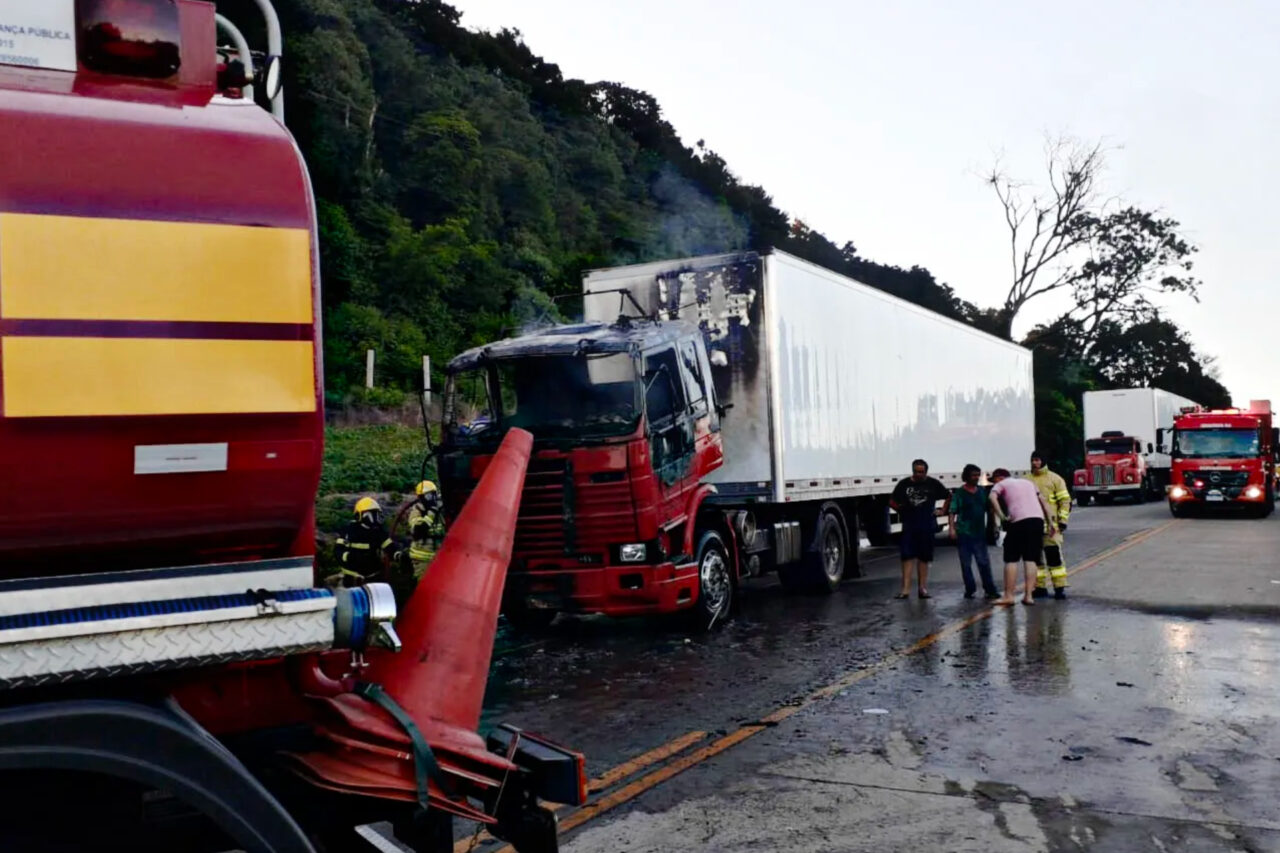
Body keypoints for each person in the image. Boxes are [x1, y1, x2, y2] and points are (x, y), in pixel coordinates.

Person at [988, 468, 1058, 606]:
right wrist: (1051, 522)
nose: (994, 483)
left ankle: (1008, 596)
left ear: (999, 477)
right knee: (1030, 559)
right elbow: (1044, 502)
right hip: (1037, 521)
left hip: (1019, 521)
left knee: (1011, 559)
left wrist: (1002, 516)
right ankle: (1029, 596)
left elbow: (992, 497)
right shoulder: (1028, 483)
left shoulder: (1001, 484)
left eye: (994, 480)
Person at [890, 459, 950, 599]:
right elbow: (892, 501)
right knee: (907, 556)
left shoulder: (933, 483)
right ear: (913, 471)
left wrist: (942, 510)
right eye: (916, 472)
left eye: (922, 472)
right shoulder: (904, 484)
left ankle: (922, 588)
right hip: (909, 525)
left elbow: (948, 496)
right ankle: (905, 590)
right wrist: (901, 510)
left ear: (926, 472)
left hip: (927, 524)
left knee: (924, 557)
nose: (919, 474)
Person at [948, 464, 1000, 600]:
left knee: (983, 562)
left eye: (978, 475)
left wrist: (994, 525)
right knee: (966, 564)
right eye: (973, 475)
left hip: (979, 532)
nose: (976, 478)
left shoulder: (982, 491)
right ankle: (970, 589)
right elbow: (952, 511)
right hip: (964, 532)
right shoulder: (960, 493)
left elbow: (990, 509)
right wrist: (952, 528)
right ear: (966, 477)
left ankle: (990, 589)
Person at [1027, 451, 1072, 599]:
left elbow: (1065, 501)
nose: (1035, 463)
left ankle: (1059, 587)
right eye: (1033, 460)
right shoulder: (1026, 480)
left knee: (1054, 557)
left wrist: (1063, 521)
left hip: (1051, 527)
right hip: (1033, 526)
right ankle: (1040, 587)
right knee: (1036, 559)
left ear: (1043, 461)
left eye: (1037, 460)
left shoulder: (1055, 479)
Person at [333, 497, 396, 587]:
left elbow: (390, 548)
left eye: (375, 514)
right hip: (350, 580)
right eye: (369, 515)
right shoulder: (349, 531)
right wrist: (350, 557)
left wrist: (399, 556)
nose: (373, 518)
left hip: (373, 579)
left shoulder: (378, 532)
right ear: (358, 516)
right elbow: (338, 551)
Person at [405, 480, 446, 575]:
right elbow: (417, 531)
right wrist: (430, 514)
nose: (432, 499)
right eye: (428, 496)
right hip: (421, 559)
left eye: (433, 494)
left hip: (439, 557)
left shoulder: (440, 511)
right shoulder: (417, 511)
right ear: (421, 497)